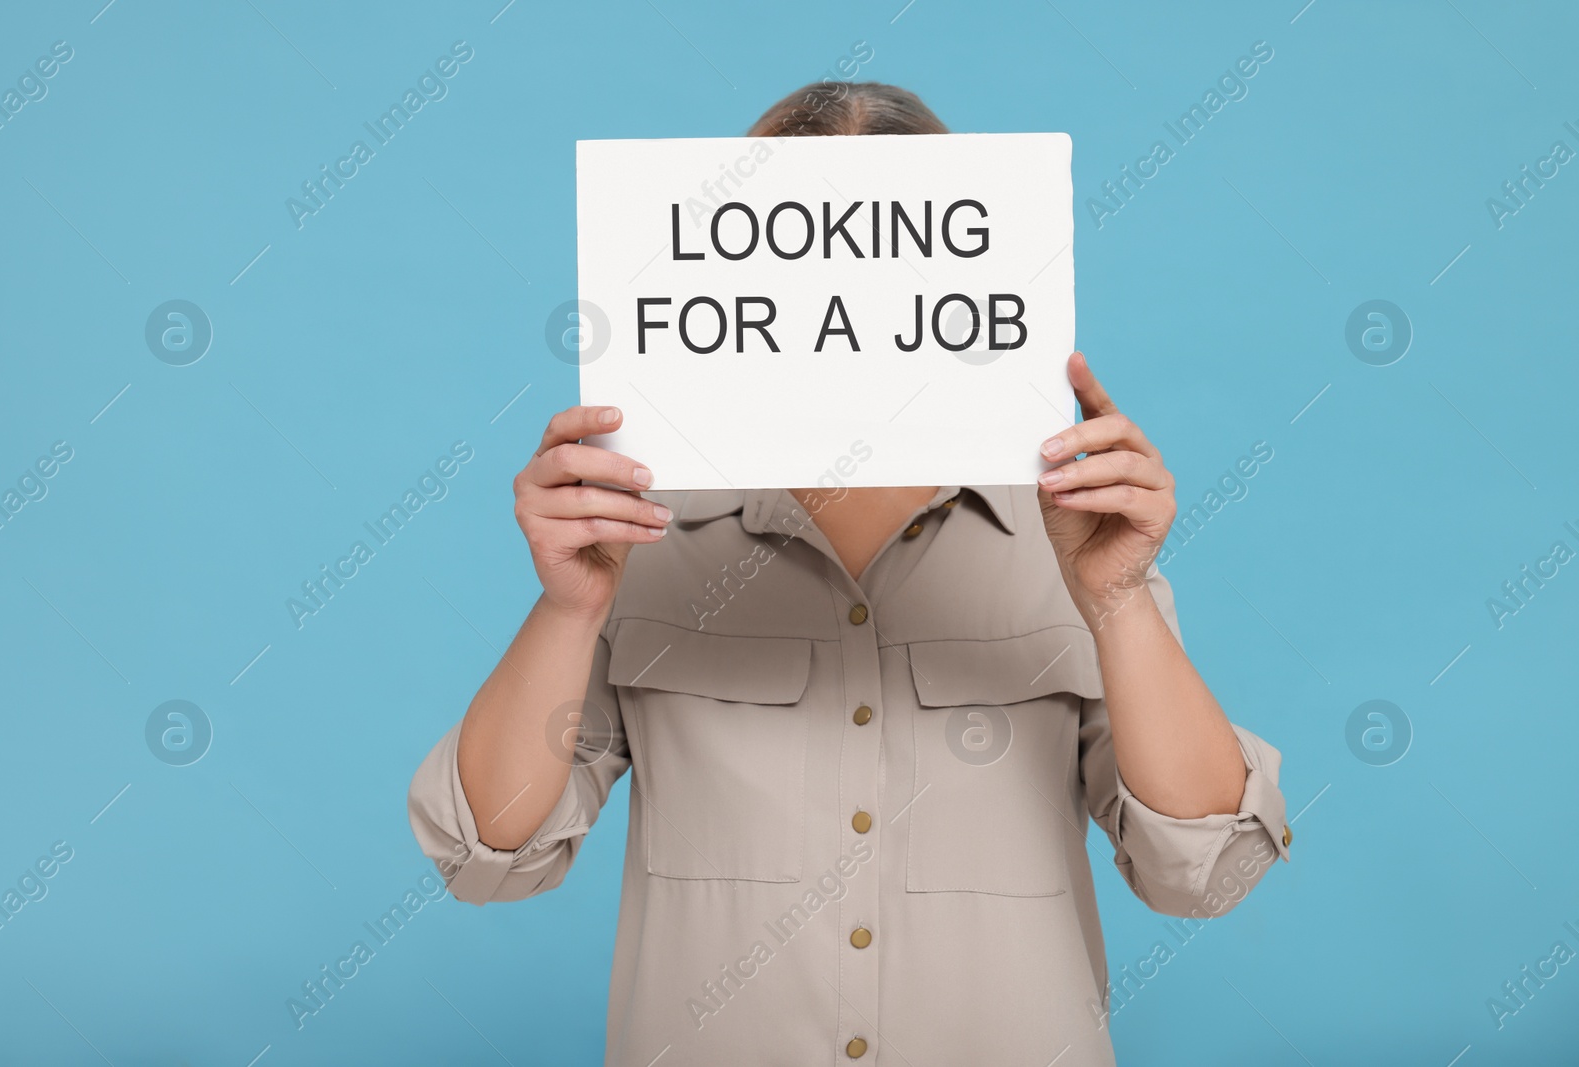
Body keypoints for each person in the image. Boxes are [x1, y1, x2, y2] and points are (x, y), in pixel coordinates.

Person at [409, 81, 1290, 1066]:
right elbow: (485, 858)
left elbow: (1206, 873)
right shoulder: (644, 543)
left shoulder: (1072, 547)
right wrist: (568, 609)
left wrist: (1119, 601)